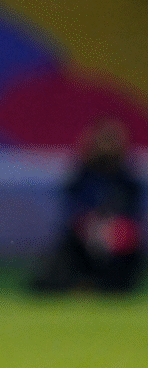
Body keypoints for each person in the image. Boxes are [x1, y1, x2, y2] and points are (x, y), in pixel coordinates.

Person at [31, 118, 144, 293]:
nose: (107, 146)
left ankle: (107, 284)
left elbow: (130, 215)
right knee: (68, 246)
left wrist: (111, 227)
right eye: (103, 140)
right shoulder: (82, 176)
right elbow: (72, 210)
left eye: (111, 140)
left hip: (116, 242)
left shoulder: (127, 180)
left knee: (124, 241)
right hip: (84, 238)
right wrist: (89, 225)